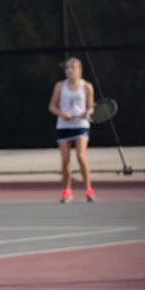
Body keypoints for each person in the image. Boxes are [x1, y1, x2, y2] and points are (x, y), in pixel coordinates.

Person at [48, 57, 95, 203]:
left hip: (81, 125)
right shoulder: (60, 86)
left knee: (81, 157)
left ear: (79, 70)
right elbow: (52, 106)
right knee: (65, 160)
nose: (69, 70)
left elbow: (91, 108)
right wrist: (63, 114)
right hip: (63, 126)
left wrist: (86, 113)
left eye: (72, 68)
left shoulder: (87, 86)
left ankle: (89, 190)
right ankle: (66, 192)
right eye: (67, 68)